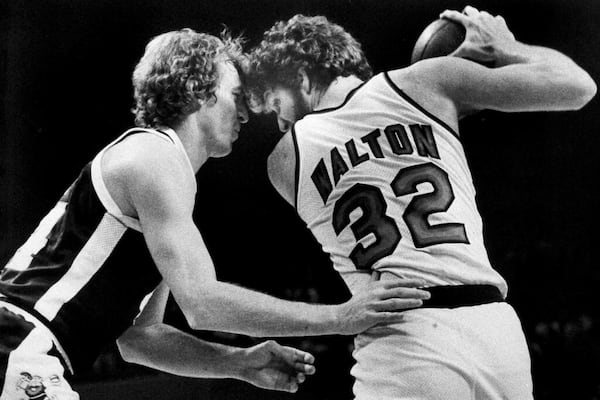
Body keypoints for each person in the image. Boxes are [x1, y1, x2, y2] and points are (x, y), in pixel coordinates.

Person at [0, 28, 431, 399]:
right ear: (197, 89)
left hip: (25, 349)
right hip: (17, 343)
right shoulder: (153, 155)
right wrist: (341, 317)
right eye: (235, 96)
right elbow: (202, 303)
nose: (245, 113)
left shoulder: (163, 176)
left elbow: (140, 337)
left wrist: (239, 362)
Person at [243, 7, 596, 399]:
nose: (279, 123)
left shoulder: (283, 160)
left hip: (404, 337)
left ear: (301, 76)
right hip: (495, 327)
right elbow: (578, 87)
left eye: (276, 105)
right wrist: (503, 46)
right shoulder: (423, 82)